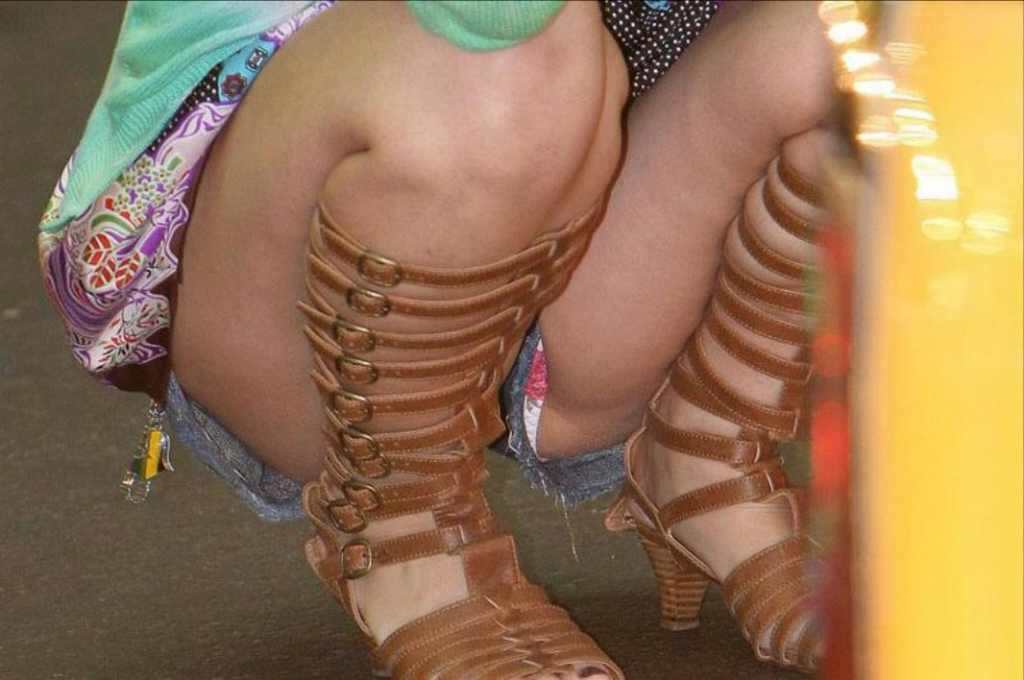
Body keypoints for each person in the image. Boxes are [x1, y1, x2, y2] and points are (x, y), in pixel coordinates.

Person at [38, 1, 831, 677]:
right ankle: (399, 535)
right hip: (281, 246)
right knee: (514, 66)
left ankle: (703, 448)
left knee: (868, 47)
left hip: (587, 235)